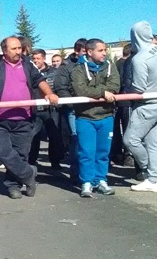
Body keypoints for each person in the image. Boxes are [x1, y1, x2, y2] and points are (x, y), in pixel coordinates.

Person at [0, 36, 59, 199]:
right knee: (1, 150)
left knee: (20, 154)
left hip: (24, 118)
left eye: (19, 48)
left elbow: (40, 80)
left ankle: (14, 185)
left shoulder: (27, 64)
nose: (18, 52)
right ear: (4, 50)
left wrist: (50, 94)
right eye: (14, 49)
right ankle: (29, 173)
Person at [71, 38, 121, 198]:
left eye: (105, 50)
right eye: (100, 50)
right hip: (85, 118)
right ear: (89, 52)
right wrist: (102, 92)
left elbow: (115, 87)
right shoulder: (78, 69)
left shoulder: (110, 66)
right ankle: (87, 182)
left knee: (103, 152)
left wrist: (100, 91)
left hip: (106, 117)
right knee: (86, 152)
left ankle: (101, 180)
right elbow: (81, 89)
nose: (104, 53)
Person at [123, 22, 157, 193]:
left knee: (130, 140)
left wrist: (127, 90)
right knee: (152, 142)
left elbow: (139, 88)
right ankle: (153, 180)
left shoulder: (139, 58)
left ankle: (147, 169)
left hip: (146, 106)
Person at [53, 39, 88, 179]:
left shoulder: (93, 65)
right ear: (77, 51)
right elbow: (61, 88)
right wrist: (72, 103)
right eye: (84, 51)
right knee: (77, 138)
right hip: (74, 109)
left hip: (91, 108)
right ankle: (76, 172)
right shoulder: (66, 67)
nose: (87, 54)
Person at [28, 49, 63, 172]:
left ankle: (55, 162)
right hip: (35, 110)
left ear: (43, 58)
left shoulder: (54, 72)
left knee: (54, 136)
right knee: (33, 136)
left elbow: (58, 88)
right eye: (34, 58)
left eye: (38, 58)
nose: (36, 61)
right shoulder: (29, 72)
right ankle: (31, 162)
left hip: (51, 109)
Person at [110, 44, 133, 166]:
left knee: (116, 130)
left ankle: (117, 154)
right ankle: (128, 155)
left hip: (116, 100)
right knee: (128, 128)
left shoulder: (115, 64)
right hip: (126, 99)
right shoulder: (128, 63)